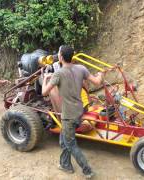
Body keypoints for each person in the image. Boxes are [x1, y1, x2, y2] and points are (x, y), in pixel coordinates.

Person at [42, 45, 103, 178]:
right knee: (63, 140)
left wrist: (46, 79)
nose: (58, 55)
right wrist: (100, 74)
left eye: (58, 53)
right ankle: (65, 165)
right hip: (79, 111)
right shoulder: (81, 68)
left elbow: (44, 92)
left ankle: (87, 170)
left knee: (70, 144)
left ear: (61, 57)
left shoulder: (58, 73)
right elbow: (97, 82)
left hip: (69, 116)